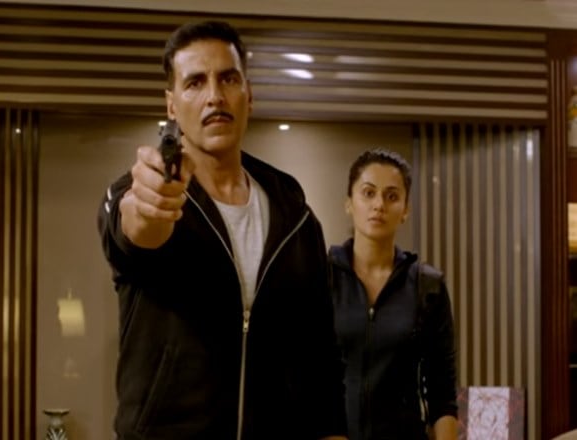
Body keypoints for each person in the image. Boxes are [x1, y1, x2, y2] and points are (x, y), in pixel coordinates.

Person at [97, 20, 348, 440]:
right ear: (172, 105)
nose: (214, 95)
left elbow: (320, 353)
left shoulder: (295, 215)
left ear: (249, 94)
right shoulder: (142, 191)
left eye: (228, 79)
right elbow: (137, 231)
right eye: (195, 82)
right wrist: (152, 204)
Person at [328, 148, 458, 440]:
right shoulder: (322, 278)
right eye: (368, 193)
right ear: (349, 203)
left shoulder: (428, 286)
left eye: (391, 196)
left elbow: (442, 394)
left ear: (406, 210)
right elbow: (304, 379)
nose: (379, 205)